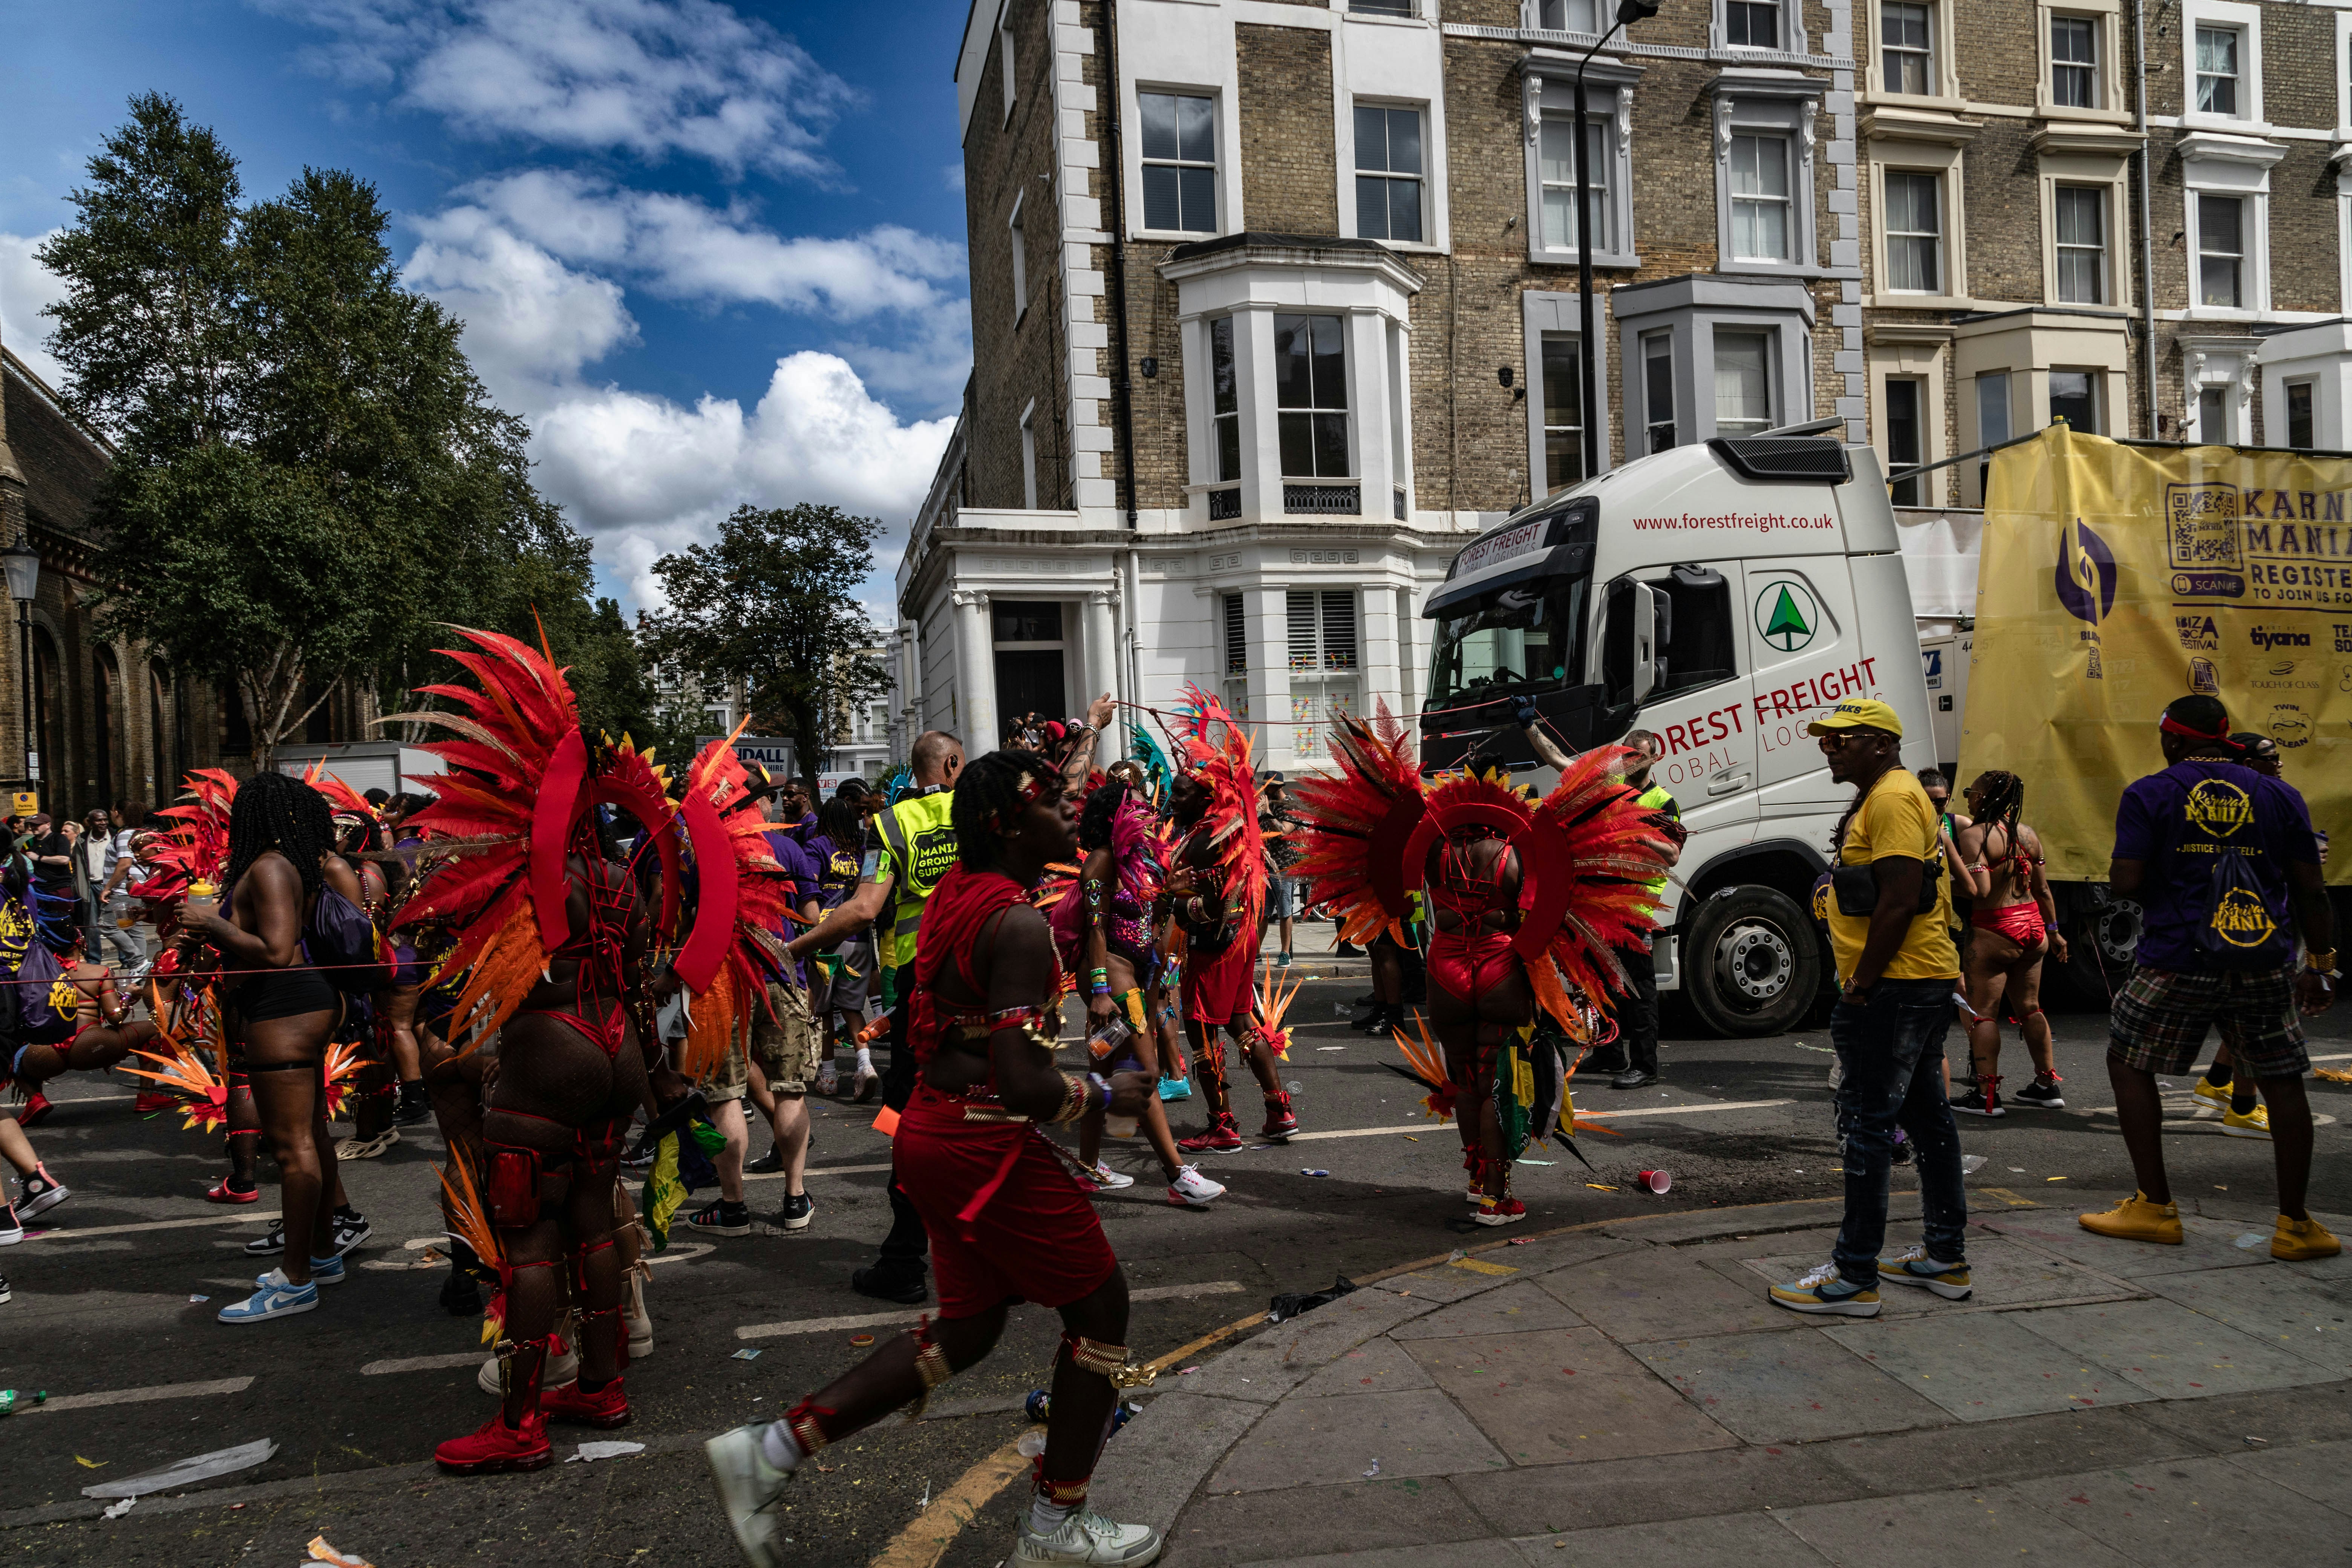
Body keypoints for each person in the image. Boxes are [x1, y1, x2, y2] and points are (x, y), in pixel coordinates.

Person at [704, 750, 1165, 1568]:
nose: (1069, 814)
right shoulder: (1018, 922)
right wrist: (1106, 1096)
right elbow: (1024, 1080)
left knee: (970, 1327)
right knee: (1102, 1314)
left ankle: (771, 1450)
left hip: (934, 1133)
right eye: (1054, 803)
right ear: (1008, 824)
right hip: (981, 1143)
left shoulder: (962, 893)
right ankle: (1056, 1529)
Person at [786, 701, 1110, 1305]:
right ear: (957, 764)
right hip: (999, 960)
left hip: (926, 982)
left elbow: (861, 909)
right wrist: (1091, 727)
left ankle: (913, 1256)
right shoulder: (987, 811)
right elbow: (1066, 786)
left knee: (917, 1117)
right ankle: (986, 1249)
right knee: (992, 1099)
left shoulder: (893, 825)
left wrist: (795, 948)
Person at [2081, 696, 2338, 1260]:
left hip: (2178, 957)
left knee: (2128, 1060)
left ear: (2173, 740)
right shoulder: (2279, 794)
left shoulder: (2151, 792)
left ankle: (2154, 1206)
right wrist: (2320, 964)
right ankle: (2296, 1225)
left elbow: (2125, 881)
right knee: (2283, 1080)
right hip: (2264, 959)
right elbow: (2310, 890)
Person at [1771, 698, 1968, 1317]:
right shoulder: (1883, 794)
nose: (1829, 747)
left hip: (1896, 986)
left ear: (1880, 744)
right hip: (1913, 981)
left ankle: (1855, 1276)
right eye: (1826, 739)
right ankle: (1944, 1256)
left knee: (1866, 1126)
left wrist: (1861, 983)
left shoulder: (1891, 798)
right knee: (1927, 1121)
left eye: (1842, 739)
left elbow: (1900, 900)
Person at [183, 772, 350, 1324]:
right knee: (312, 1138)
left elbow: (277, 951)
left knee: (292, 1146)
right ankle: (322, 1256)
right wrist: (208, 934)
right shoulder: (276, 866)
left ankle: (296, 1280)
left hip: (285, 1006)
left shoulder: (272, 867)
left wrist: (212, 923)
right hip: (283, 1005)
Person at [1054, 776, 1224, 1207]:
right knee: (1145, 1073)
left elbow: (1150, 918)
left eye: (1146, 806)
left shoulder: (1142, 861)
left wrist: (1169, 889)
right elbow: (1096, 928)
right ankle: (1178, 1176)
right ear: (1114, 815)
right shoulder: (1101, 861)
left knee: (1102, 1075)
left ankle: (1089, 1168)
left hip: (1140, 976)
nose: (1145, 813)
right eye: (1133, 806)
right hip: (1111, 978)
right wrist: (1097, 992)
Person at [1166, 731, 1292, 1155]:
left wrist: (1178, 904)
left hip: (1215, 945)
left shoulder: (1205, 841)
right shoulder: (1223, 829)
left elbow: (1216, 905)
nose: (1172, 801)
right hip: (1241, 941)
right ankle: (1280, 1110)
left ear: (1204, 798)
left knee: (1201, 1030)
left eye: (1180, 795)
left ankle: (1222, 1125)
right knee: (1241, 1023)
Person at [1949, 770, 2068, 1116]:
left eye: (1973, 792)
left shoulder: (1975, 836)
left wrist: (1945, 884)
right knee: (2030, 1007)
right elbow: (2043, 889)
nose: (1969, 797)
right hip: (2033, 927)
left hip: (1996, 929)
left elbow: (1981, 891)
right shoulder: (2027, 834)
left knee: (1983, 1014)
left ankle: (1987, 1098)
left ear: (1984, 798)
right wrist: (2055, 931)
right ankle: (2046, 1087)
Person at [2190, 733, 2289, 1132]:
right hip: (2251, 923)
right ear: (2248, 764)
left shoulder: (2218, 799)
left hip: (2234, 921)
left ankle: (2215, 1083)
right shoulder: (2270, 799)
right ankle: (2243, 1106)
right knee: (2255, 1018)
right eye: (2271, 756)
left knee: (2243, 1015)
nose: (2280, 762)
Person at [1260, 775, 1300, 966]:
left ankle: (1285, 953)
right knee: (1263, 913)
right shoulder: (1267, 805)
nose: (1265, 792)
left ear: (1278, 788)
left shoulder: (1290, 806)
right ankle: (1257, 951)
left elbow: (1284, 830)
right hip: (1265, 866)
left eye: (1268, 788)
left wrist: (1267, 812)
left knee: (1285, 911)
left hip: (1283, 867)